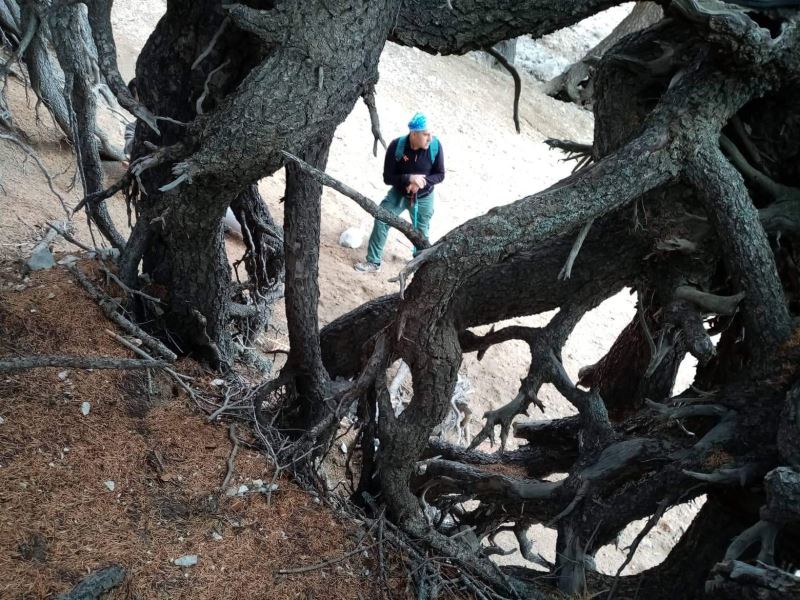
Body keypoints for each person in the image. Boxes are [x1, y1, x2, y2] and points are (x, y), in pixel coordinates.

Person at [354, 112, 445, 272]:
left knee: (421, 233)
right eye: (426, 134)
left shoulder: (435, 147)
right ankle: (373, 262)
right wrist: (409, 178)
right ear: (414, 134)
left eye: (431, 134)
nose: (430, 138)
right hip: (398, 195)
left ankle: (419, 265)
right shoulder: (397, 147)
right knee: (381, 218)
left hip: (424, 197)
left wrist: (421, 183)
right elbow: (388, 177)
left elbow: (440, 174)